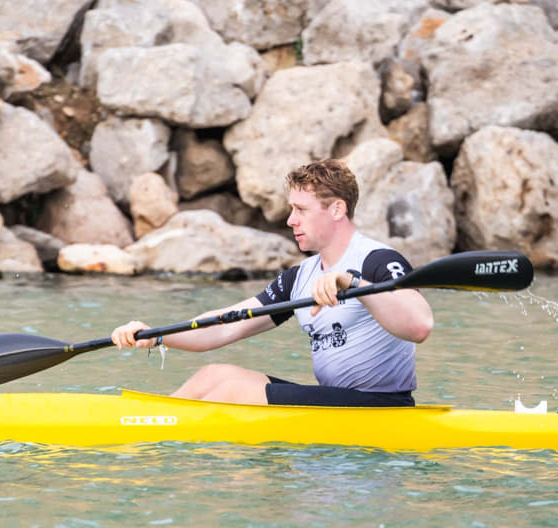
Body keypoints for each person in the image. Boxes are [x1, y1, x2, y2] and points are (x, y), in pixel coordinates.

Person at [110, 158, 433, 406]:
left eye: (301, 210)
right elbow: (225, 326)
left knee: (233, 391)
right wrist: (157, 335)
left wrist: (353, 284)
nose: (291, 220)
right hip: (334, 401)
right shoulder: (300, 277)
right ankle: (150, 426)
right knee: (214, 375)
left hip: (381, 405)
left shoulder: (378, 260)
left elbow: (419, 326)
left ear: (337, 209)